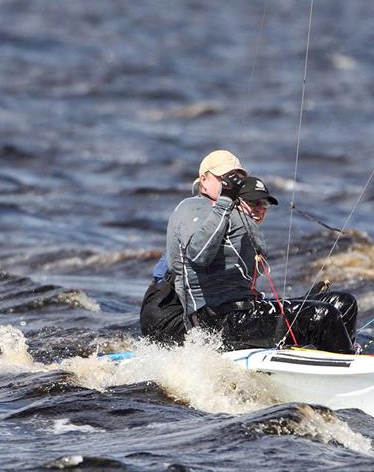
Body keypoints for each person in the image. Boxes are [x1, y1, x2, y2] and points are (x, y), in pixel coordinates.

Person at [141, 150, 358, 354]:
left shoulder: (229, 213)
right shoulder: (194, 207)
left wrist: (303, 302)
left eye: (236, 180)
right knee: (323, 315)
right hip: (213, 321)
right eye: (224, 179)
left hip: (240, 312)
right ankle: (348, 374)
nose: (231, 185)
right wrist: (226, 200)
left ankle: (335, 359)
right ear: (204, 180)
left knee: (342, 303)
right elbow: (199, 256)